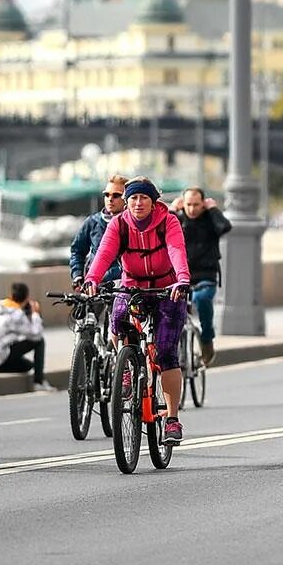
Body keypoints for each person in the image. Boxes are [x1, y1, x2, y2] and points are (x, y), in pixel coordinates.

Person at [83, 177, 191, 446]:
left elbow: (177, 250)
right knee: (118, 320)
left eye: (144, 198)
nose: (138, 203)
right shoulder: (119, 224)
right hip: (133, 286)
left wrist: (182, 279)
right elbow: (105, 253)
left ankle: (172, 420)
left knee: (166, 351)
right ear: (127, 201)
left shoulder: (168, 221)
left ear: (154, 202)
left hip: (168, 289)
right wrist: (92, 278)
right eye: (133, 198)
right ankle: (127, 368)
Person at [173, 187, 230, 367]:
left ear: (203, 204)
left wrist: (213, 209)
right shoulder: (178, 220)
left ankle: (207, 338)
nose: (192, 209)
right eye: (188, 204)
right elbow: (158, 230)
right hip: (181, 275)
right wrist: (172, 210)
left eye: (196, 204)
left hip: (206, 274)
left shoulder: (210, 219)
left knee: (202, 298)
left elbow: (224, 227)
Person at [0, 282, 52, 390]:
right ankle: (38, 382)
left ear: (11, 295)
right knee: (40, 341)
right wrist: (35, 314)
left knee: (28, 366)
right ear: (26, 298)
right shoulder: (16, 314)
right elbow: (36, 334)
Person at [70, 175, 127, 287]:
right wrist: (77, 275)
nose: (110, 199)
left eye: (116, 195)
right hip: (98, 287)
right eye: (107, 194)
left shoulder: (133, 223)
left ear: (127, 198)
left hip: (126, 286)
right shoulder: (92, 222)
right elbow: (77, 251)